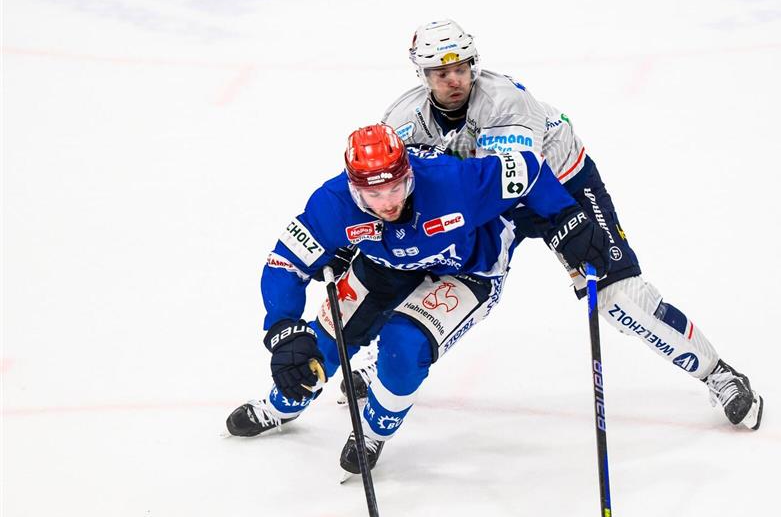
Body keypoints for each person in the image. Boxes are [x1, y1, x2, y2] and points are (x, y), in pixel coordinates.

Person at [370, 19, 764, 430]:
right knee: (417, 261)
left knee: (618, 298)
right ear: (422, 74)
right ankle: (381, 367)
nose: (455, 79)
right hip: (491, 201)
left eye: (462, 67)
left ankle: (718, 374)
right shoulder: (402, 121)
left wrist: (568, 224)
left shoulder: (504, 100)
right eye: (440, 72)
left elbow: (517, 177)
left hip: (560, 184)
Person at [225, 124, 610, 474]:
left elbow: (532, 169)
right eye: (373, 194)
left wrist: (568, 218)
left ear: (409, 174)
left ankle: (373, 432)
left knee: (403, 346)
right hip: (385, 265)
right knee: (321, 340)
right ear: (354, 188)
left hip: (469, 270)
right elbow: (284, 264)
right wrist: (283, 326)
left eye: (395, 188)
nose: (388, 202)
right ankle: (281, 405)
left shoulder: (454, 181)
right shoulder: (333, 204)